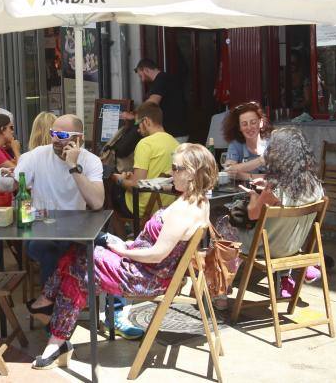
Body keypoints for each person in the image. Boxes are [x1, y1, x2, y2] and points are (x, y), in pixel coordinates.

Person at [26, 143, 215, 369]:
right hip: (144, 268)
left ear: (192, 173)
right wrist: (125, 245)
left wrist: (122, 249)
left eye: (175, 168)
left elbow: (157, 255)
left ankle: (49, 318)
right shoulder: (198, 202)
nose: (170, 172)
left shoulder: (183, 211)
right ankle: (54, 333)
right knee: (80, 254)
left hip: (144, 277)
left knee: (82, 257)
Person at [0, 115, 143, 340]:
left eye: (63, 135)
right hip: (41, 233)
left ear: (78, 139)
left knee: (114, 249)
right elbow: (12, 184)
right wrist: (5, 179)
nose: (56, 139)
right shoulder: (34, 157)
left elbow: (95, 203)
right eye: (53, 134)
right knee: (52, 250)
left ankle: (113, 316)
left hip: (77, 231)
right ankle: (54, 316)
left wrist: (73, 167)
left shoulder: (90, 161)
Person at [216, 126, 324, 298]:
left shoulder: (275, 189)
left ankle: (221, 289)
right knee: (277, 227)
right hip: (294, 246)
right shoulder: (315, 186)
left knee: (224, 224)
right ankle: (285, 278)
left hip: (267, 247)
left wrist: (253, 195)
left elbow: (252, 214)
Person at [112, 102, 180, 218]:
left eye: (138, 124)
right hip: (169, 207)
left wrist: (119, 180)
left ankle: (124, 235)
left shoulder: (145, 144)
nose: (137, 130)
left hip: (143, 208)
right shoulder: (176, 143)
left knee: (112, 194)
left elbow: (137, 186)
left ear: (146, 121)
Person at [124, 58, 188, 142]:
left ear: (146, 70)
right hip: (177, 132)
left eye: (141, 75)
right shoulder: (165, 79)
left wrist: (134, 115)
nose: (142, 80)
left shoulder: (161, 80)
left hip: (174, 134)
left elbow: (152, 103)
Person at [222, 101, 272, 181]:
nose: (249, 128)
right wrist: (261, 160)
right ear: (239, 128)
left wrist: (243, 175)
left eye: (253, 122)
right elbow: (229, 170)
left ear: (261, 123)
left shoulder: (272, 143)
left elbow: (278, 178)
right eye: (244, 124)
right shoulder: (235, 145)